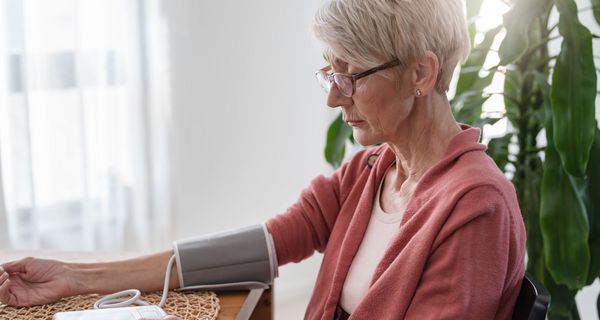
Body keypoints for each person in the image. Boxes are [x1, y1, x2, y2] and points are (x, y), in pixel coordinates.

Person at [0, 0, 526, 319]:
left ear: (421, 74)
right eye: (329, 73)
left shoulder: (476, 208)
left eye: (351, 76)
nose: (332, 97)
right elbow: (266, 245)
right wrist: (76, 276)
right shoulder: (372, 172)